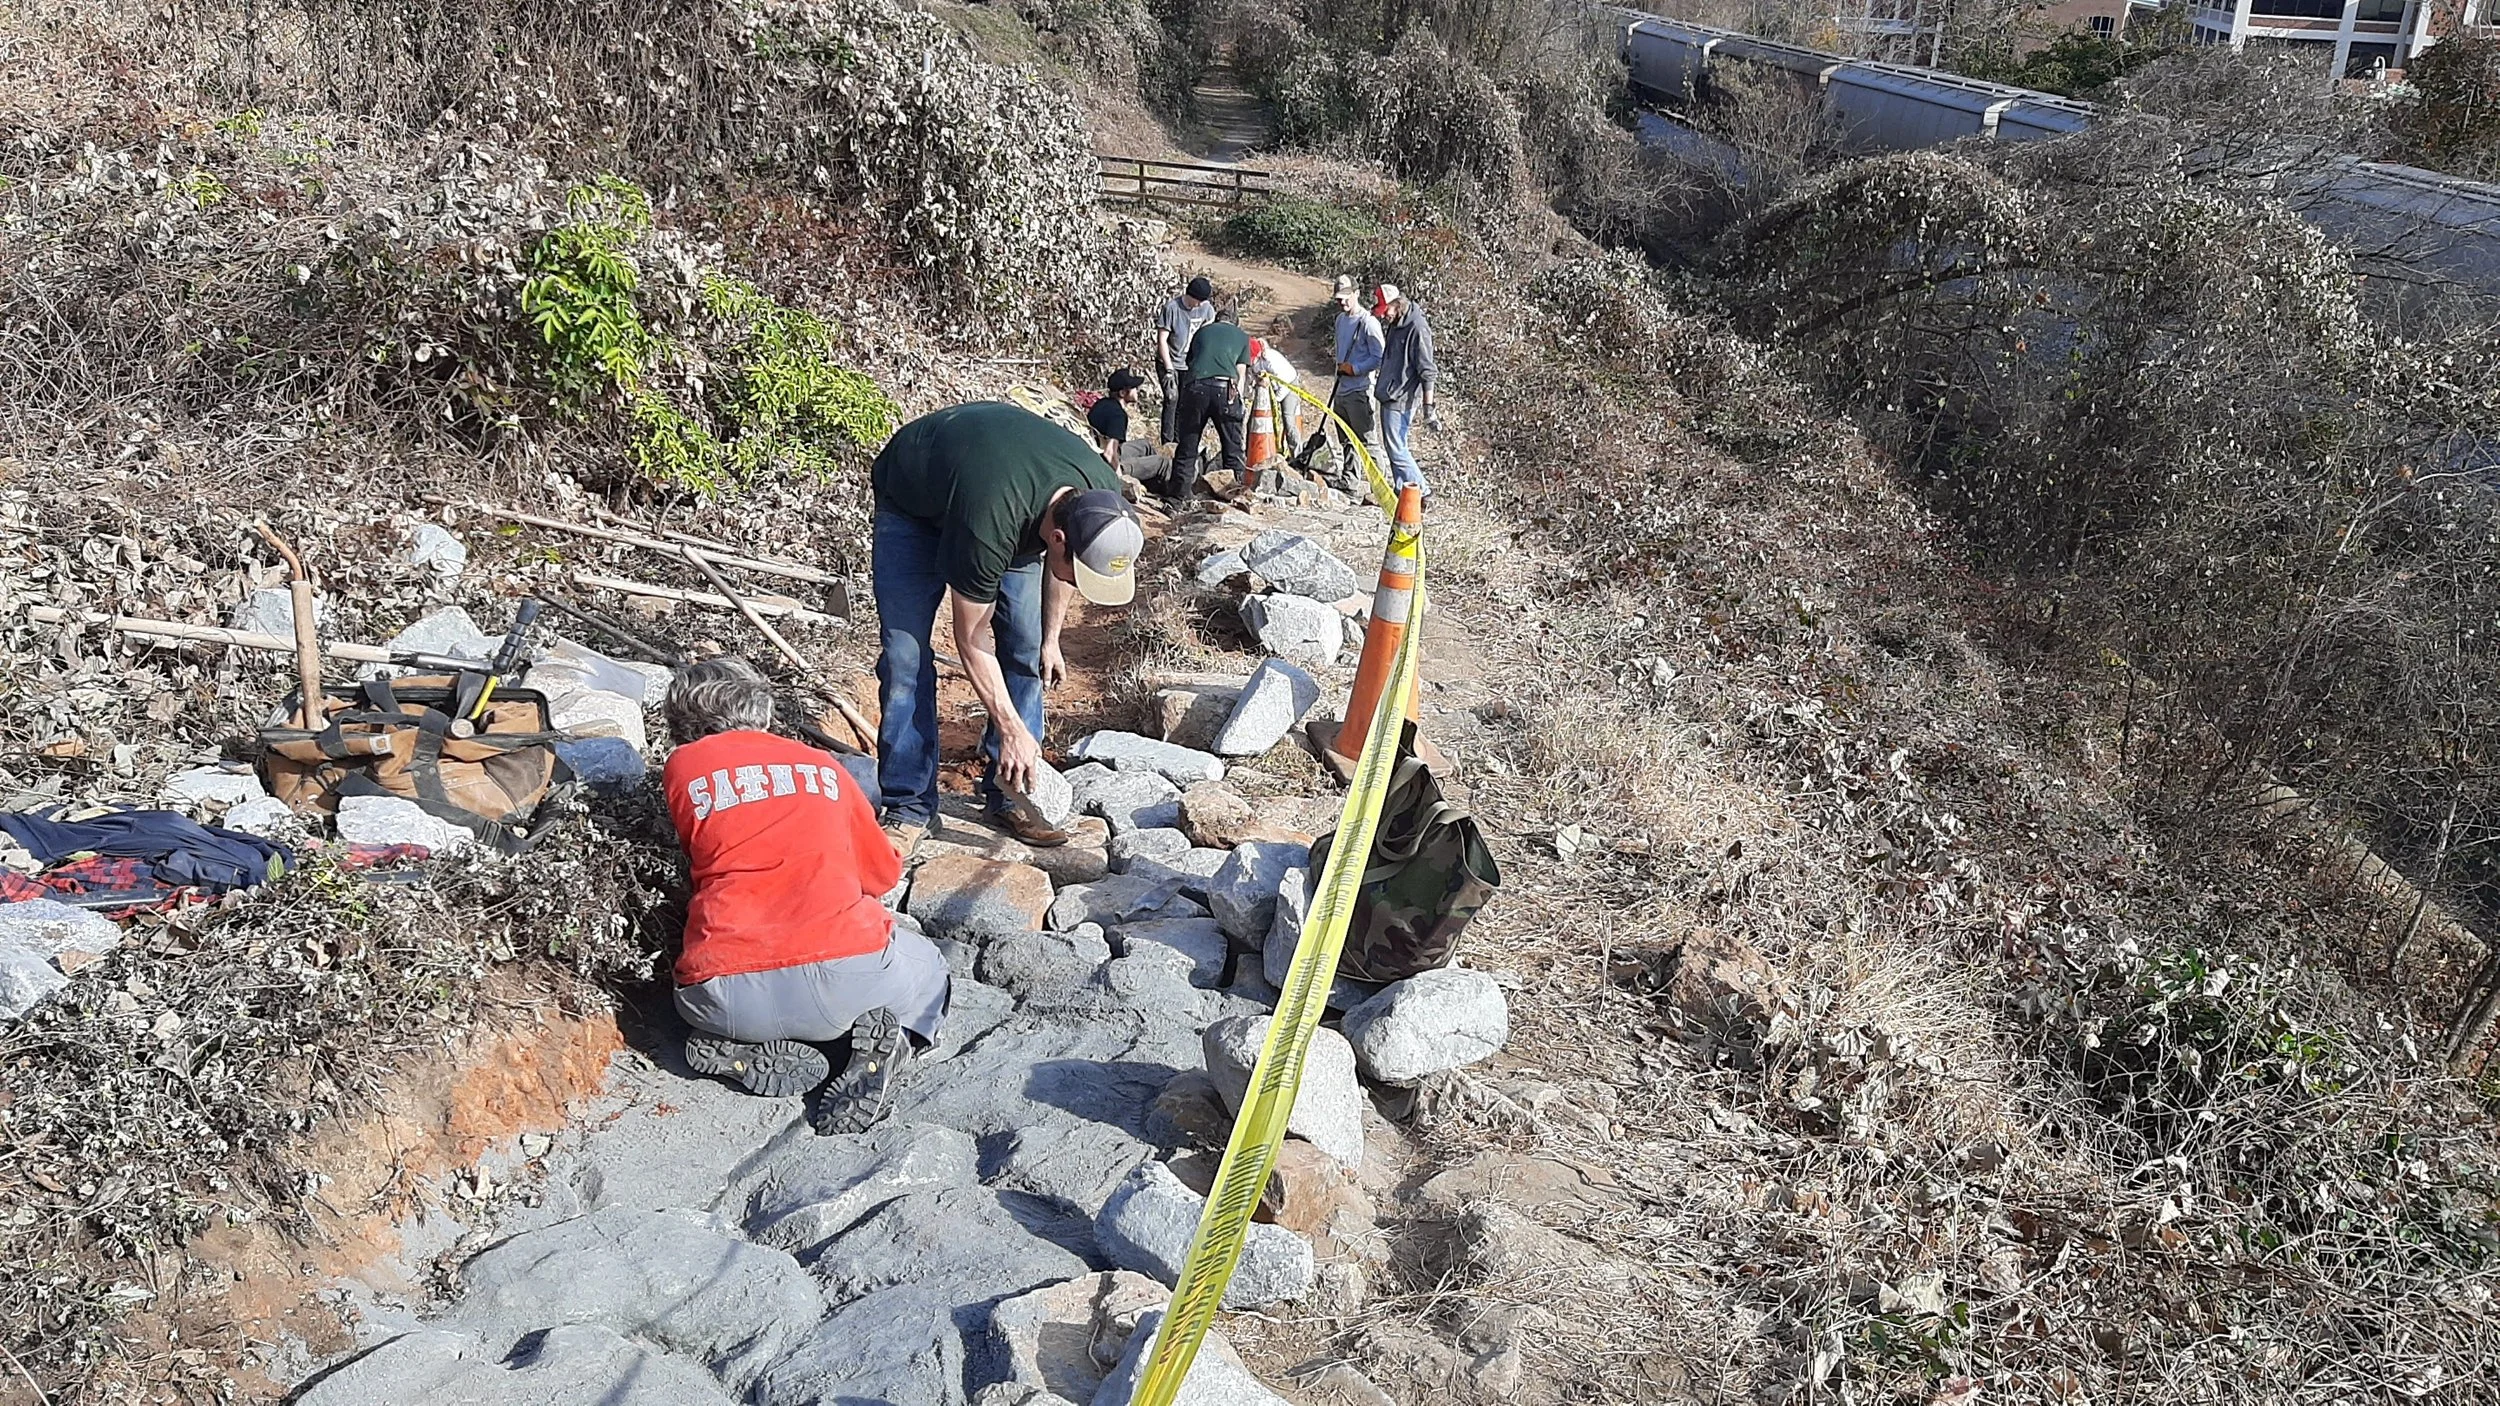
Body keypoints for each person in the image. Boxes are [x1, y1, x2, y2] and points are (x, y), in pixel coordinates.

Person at [661, 655, 946, 1135]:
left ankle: (740, 1049)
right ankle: (888, 1049)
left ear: (681, 721)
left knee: (696, 999)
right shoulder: (825, 767)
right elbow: (880, 877)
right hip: (848, 984)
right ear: (763, 710)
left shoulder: (683, 767)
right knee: (930, 966)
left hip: (725, 993)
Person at [870, 401, 1145, 854]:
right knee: (906, 657)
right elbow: (970, 638)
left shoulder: (1100, 496)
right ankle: (908, 805)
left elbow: (1063, 572)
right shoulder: (990, 520)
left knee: (1025, 647)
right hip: (915, 503)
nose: (1079, 582)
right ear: (1057, 539)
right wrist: (1012, 727)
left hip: (1001, 495)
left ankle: (1013, 792)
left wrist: (1051, 639)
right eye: (1080, 571)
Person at [1168, 307, 1251, 500]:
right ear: (1235, 322)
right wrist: (1239, 403)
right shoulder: (1242, 336)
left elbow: (1191, 362)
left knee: (1188, 444)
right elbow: (1240, 374)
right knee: (1232, 446)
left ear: (1216, 320)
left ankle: (1177, 498)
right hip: (1226, 388)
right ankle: (1235, 495)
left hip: (1196, 387)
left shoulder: (1202, 332)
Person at [1308, 274, 1383, 488]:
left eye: (1346, 297)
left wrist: (1356, 369)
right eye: (1339, 298)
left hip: (1360, 390)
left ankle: (1380, 486)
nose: (1342, 302)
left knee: (1367, 441)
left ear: (1357, 294)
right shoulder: (1340, 320)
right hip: (1341, 389)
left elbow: (1379, 356)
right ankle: (1350, 481)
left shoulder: (1368, 323)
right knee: (1346, 440)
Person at [1373, 282, 1437, 495]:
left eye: (1386, 310)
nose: (1384, 316)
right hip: (1388, 393)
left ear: (1397, 304)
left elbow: (1427, 370)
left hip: (1402, 397)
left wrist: (1429, 409)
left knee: (1397, 449)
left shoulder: (1418, 328)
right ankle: (1403, 492)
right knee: (1393, 449)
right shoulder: (1396, 322)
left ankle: (1423, 491)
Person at [1154, 275, 1216, 446]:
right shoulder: (1172, 309)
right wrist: (1168, 368)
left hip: (1190, 365)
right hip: (1170, 361)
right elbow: (1162, 340)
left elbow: (1207, 335)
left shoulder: (1206, 309)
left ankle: (1180, 441)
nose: (1201, 305)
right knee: (1172, 399)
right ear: (1191, 296)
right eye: (1199, 301)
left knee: (1185, 403)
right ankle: (1167, 443)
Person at [1086, 368, 1161, 480]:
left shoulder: (1101, 403)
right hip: (1104, 463)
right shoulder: (1118, 415)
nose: (1137, 391)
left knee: (1145, 445)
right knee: (1162, 463)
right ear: (1122, 393)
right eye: (1134, 388)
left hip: (1095, 452)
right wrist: (1120, 479)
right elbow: (1109, 453)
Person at [1246, 333, 1306, 461]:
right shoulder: (1251, 364)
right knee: (1253, 422)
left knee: (1288, 420)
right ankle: (1250, 455)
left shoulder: (1271, 360)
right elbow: (1250, 381)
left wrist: (1276, 401)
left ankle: (1297, 456)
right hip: (1269, 389)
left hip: (1289, 385)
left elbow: (1284, 384)